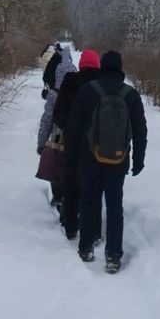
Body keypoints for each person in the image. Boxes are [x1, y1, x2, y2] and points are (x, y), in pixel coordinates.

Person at [64, 49, 147, 273]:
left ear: (102, 67)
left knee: (88, 201)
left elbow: (73, 128)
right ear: (120, 68)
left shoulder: (87, 91)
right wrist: (138, 160)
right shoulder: (131, 94)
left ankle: (86, 247)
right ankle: (113, 255)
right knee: (114, 206)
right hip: (118, 161)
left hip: (88, 158)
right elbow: (140, 130)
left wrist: (70, 159)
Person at [51, 49, 102, 241]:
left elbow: (57, 114)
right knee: (93, 187)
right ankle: (95, 231)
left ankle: (71, 225)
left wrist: (69, 128)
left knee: (71, 183)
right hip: (97, 144)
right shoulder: (102, 84)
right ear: (97, 64)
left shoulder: (70, 82)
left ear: (81, 64)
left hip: (71, 141)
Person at [37, 46, 75, 209]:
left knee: (56, 164)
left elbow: (47, 119)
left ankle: (58, 196)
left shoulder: (53, 94)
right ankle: (69, 196)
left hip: (57, 136)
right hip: (75, 136)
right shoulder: (81, 91)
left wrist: (41, 142)